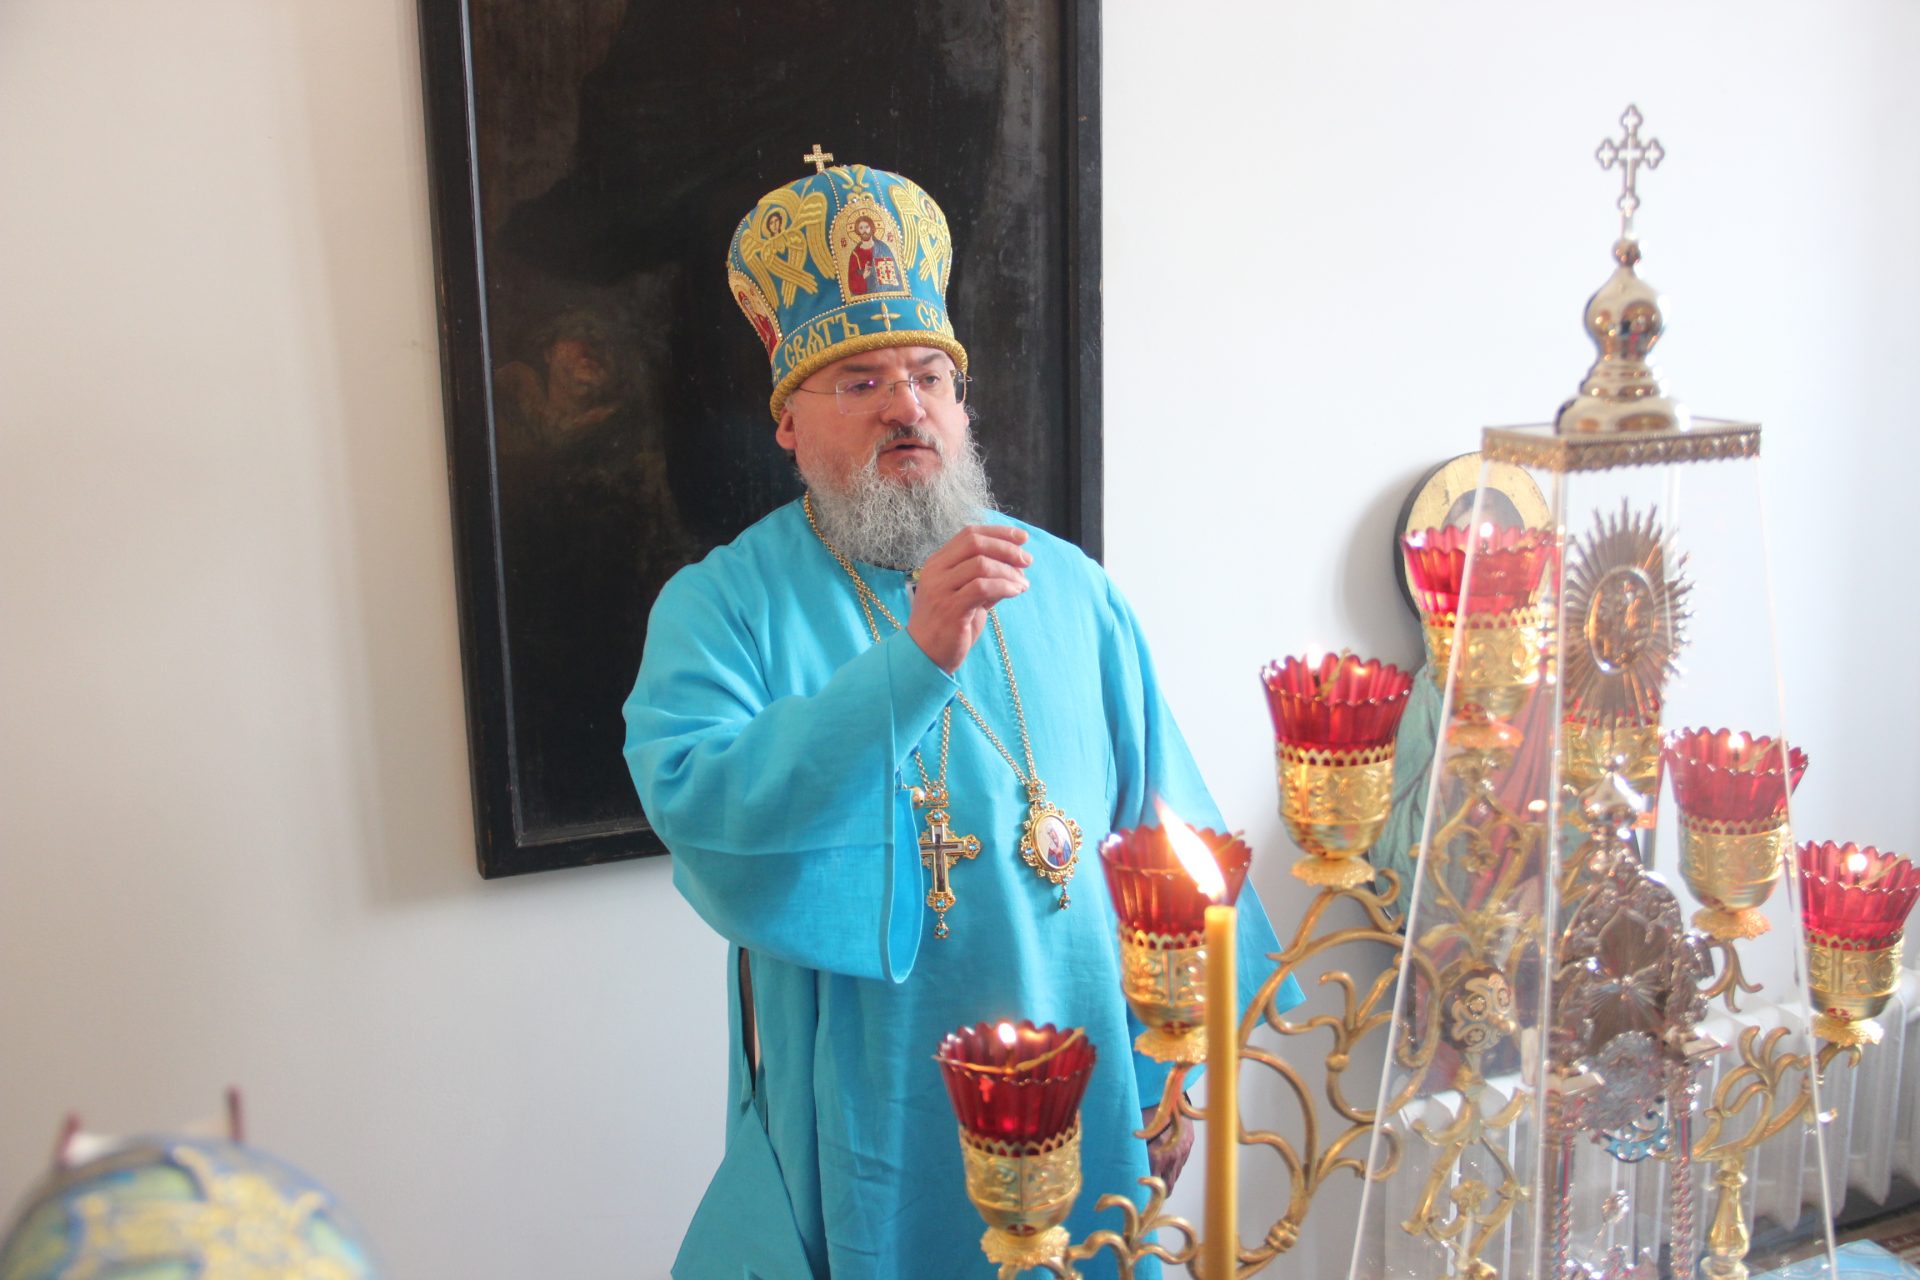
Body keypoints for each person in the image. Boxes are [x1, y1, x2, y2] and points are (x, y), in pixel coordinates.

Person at [624, 160, 1299, 1280]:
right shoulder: (724, 605)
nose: (907, 405)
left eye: (931, 375)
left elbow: (1173, 844)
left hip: (1091, 1086)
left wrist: (1172, 1073)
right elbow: (705, 808)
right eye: (861, 381)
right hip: (880, 1099)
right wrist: (914, 661)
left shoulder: (1070, 590)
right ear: (787, 422)